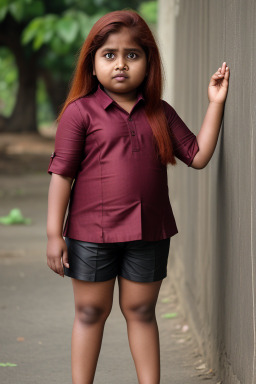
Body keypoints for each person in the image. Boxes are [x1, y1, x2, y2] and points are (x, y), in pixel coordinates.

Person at [46, 9, 230, 384]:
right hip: (90, 235)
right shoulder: (79, 113)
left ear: (148, 61)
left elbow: (197, 155)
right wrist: (54, 234)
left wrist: (216, 103)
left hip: (149, 233)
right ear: (92, 62)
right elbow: (62, 174)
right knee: (89, 313)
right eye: (109, 55)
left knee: (142, 311)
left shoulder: (160, 113)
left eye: (132, 55)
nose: (120, 64)